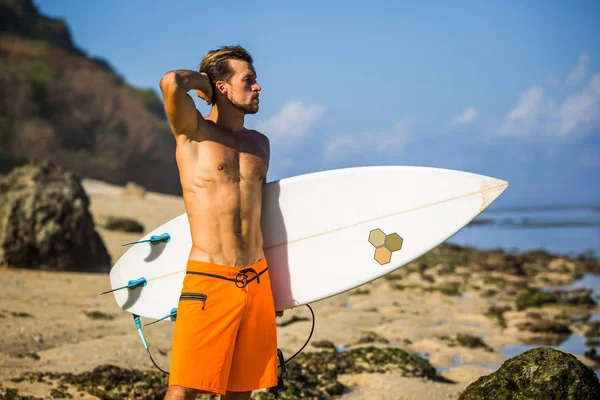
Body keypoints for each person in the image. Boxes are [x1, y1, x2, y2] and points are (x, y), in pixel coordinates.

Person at [159, 45, 281, 400]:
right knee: (184, 388)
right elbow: (171, 82)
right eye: (249, 80)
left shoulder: (260, 145)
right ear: (223, 88)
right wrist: (203, 83)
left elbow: (263, 217)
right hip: (210, 279)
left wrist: (281, 287)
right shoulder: (193, 133)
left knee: (241, 391)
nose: (258, 87)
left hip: (256, 279)